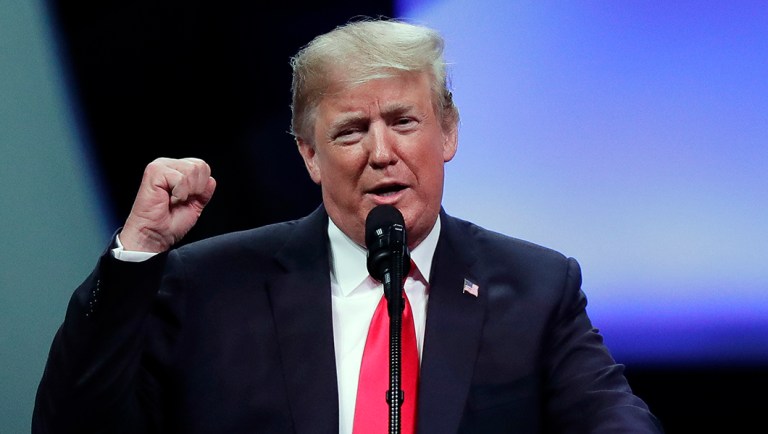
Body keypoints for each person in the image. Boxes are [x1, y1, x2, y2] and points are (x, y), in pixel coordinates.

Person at [33, 17, 664, 433]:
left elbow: (613, 422)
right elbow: (72, 423)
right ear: (309, 154)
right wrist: (138, 252)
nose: (380, 152)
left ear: (448, 132)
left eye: (404, 121)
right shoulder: (209, 286)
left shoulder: (534, 287)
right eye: (350, 131)